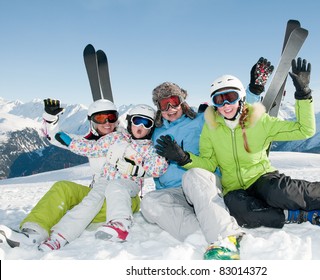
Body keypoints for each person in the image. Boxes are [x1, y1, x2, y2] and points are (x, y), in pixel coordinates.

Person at [154, 57, 320, 251]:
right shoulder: (211, 130)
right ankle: (300, 216)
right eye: (219, 100)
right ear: (214, 104)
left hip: (260, 177)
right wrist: (185, 159)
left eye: (231, 97)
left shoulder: (260, 121)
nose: (226, 105)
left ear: (241, 98)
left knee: (280, 192)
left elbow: (304, 129)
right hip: (234, 187)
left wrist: (303, 94)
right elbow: (209, 162)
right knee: (240, 212)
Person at [139, 59, 274, 260]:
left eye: (173, 102)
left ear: (182, 101)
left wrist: (254, 89)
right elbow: (133, 138)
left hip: (203, 183)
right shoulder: (156, 133)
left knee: (192, 175)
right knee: (149, 202)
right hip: (176, 193)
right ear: (158, 107)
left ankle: (227, 237)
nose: (170, 108)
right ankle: (205, 237)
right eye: (163, 104)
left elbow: (233, 112)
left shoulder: (202, 119)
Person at [0, 99, 141, 248]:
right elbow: (57, 138)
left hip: (123, 198)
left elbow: (148, 140)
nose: (107, 122)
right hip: (97, 193)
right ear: (92, 121)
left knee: (94, 201)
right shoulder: (89, 143)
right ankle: (33, 234)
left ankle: (62, 234)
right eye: (100, 118)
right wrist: (50, 119)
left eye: (111, 117)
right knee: (63, 188)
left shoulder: (130, 138)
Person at [37, 104, 167, 251]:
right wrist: (70, 141)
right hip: (105, 179)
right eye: (137, 121)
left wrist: (136, 169)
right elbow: (93, 149)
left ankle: (120, 224)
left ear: (151, 128)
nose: (140, 126)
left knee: (116, 187)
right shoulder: (116, 137)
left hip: (128, 183)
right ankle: (59, 237)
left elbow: (159, 167)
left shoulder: (149, 148)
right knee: (90, 202)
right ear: (130, 122)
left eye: (146, 123)